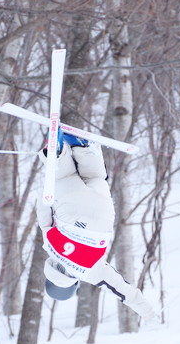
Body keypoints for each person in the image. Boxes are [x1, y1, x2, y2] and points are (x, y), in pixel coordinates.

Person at [37, 135, 157, 323]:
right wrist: (47, 178)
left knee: (96, 177)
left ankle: (85, 149)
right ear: (50, 275)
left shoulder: (91, 273)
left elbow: (123, 291)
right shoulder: (49, 246)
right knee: (64, 177)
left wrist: (147, 312)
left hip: (102, 217)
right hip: (71, 213)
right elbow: (44, 210)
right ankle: (59, 153)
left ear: (72, 284)